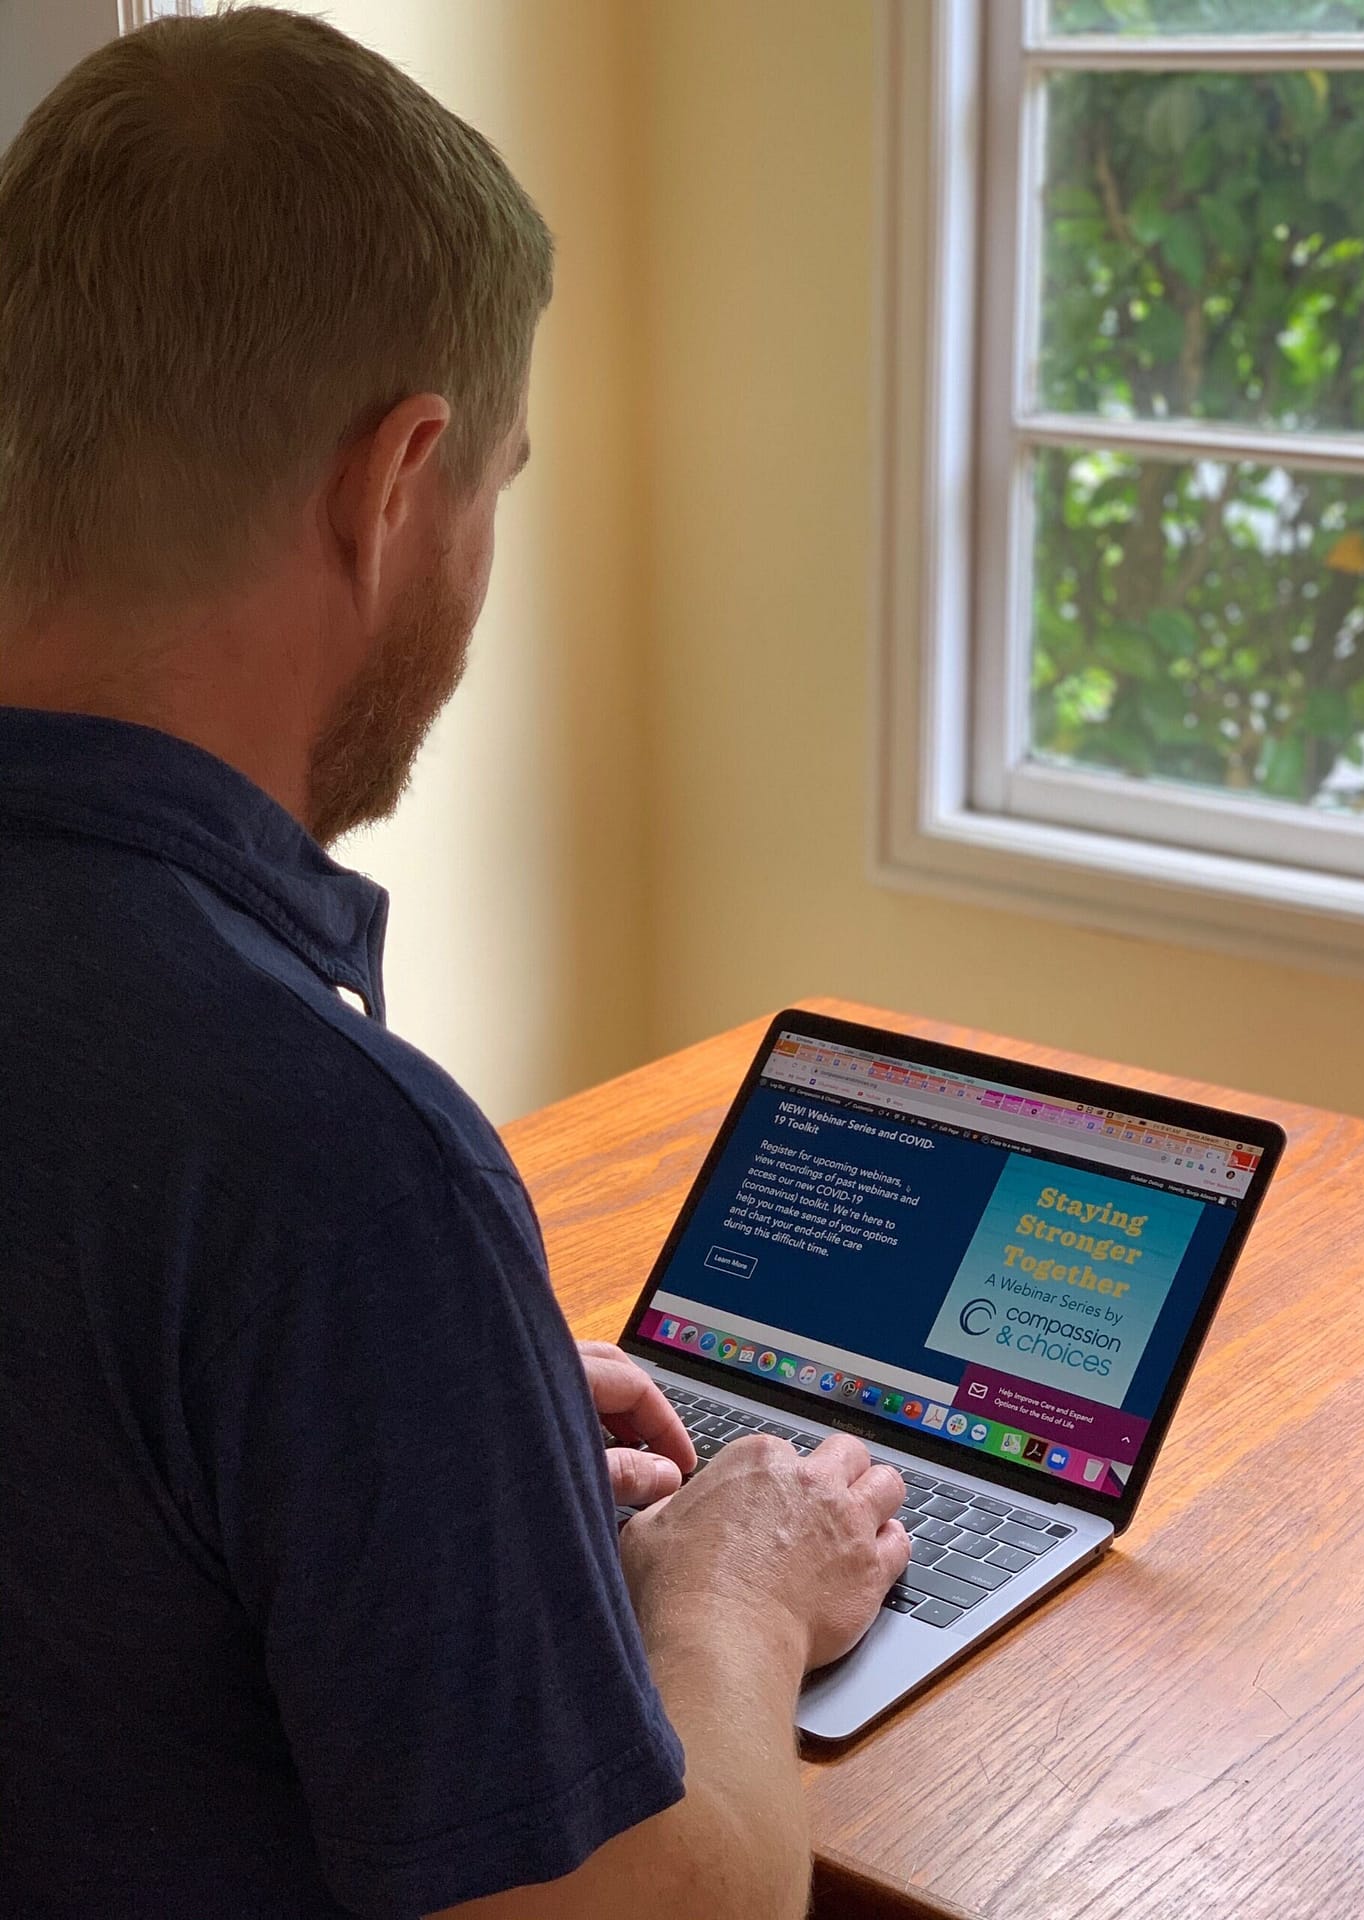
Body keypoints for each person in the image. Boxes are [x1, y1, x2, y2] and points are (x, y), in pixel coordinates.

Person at [0, 12, 908, 1918]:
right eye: (498, 481)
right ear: (396, 479)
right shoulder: (325, 1156)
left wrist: (424, 1410)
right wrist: (734, 1590)